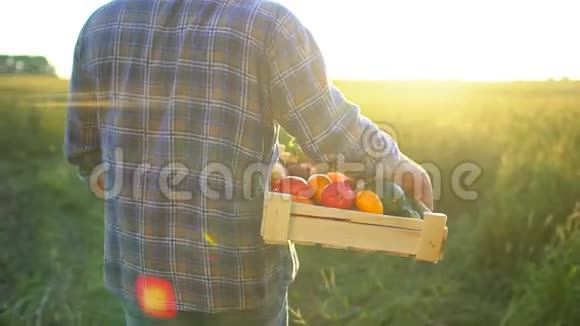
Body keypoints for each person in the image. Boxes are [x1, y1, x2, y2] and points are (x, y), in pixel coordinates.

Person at [64, 0, 433, 325]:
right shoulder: (266, 23)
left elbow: (84, 151)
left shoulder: (101, 25)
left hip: (145, 274)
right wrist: (393, 161)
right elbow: (327, 126)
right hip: (240, 277)